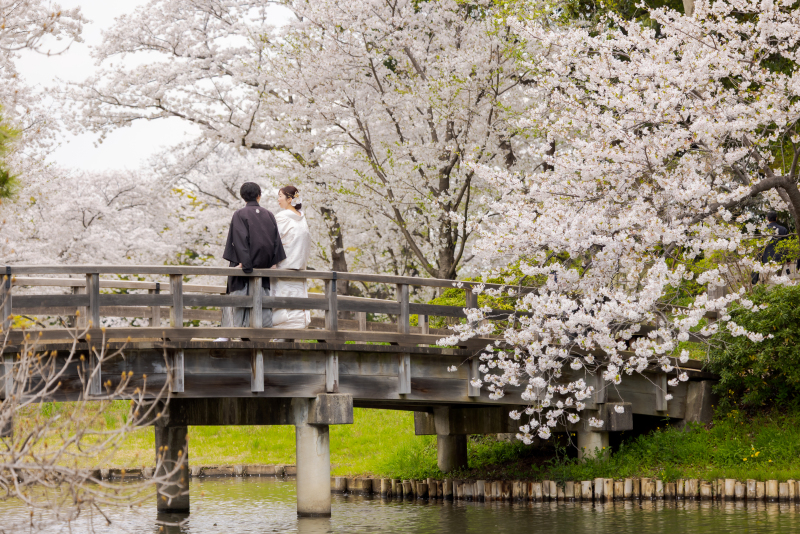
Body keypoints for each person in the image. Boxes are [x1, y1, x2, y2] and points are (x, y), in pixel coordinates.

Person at [216, 182, 286, 341]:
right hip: (264, 268)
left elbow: (239, 240)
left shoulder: (239, 214)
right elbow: (275, 241)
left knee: (237, 297)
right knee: (261, 300)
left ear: (242, 196)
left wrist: (245, 263)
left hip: (243, 266)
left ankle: (229, 334)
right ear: (259, 195)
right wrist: (272, 263)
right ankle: (258, 335)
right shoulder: (269, 215)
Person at [271, 185, 312, 332]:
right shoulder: (302, 218)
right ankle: (296, 329)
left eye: (280, 196)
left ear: (289, 199)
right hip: (299, 265)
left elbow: (274, 241)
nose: (278, 199)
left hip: (284, 265)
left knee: (282, 300)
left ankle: (281, 332)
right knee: (297, 300)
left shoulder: (282, 217)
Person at [752, 210, 790, 285]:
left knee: (767, 281)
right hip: (779, 258)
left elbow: (760, 246)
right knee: (778, 279)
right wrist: (788, 259)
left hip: (766, 259)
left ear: (767, 218)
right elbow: (787, 246)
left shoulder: (764, 230)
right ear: (776, 218)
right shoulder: (783, 229)